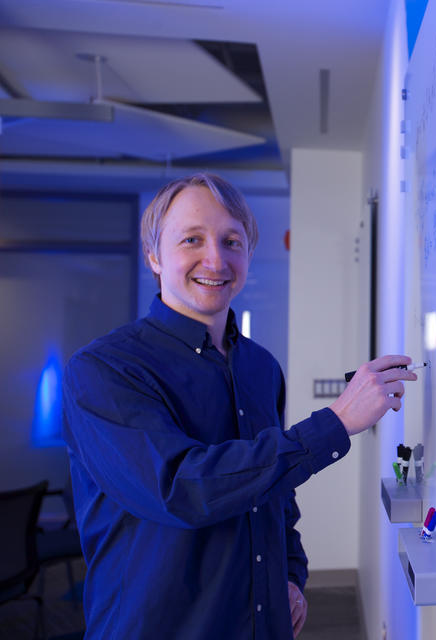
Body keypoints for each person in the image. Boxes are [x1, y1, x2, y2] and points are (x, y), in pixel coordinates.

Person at [62, 173, 416, 639]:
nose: (216, 258)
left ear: (248, 254)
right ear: (153, 255)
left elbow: (275, 495)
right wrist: (335, 422)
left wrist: (290, 575)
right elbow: (182, 487)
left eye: (232, 240)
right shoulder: (104, 370)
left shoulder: (260, 368)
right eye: (192, 239)